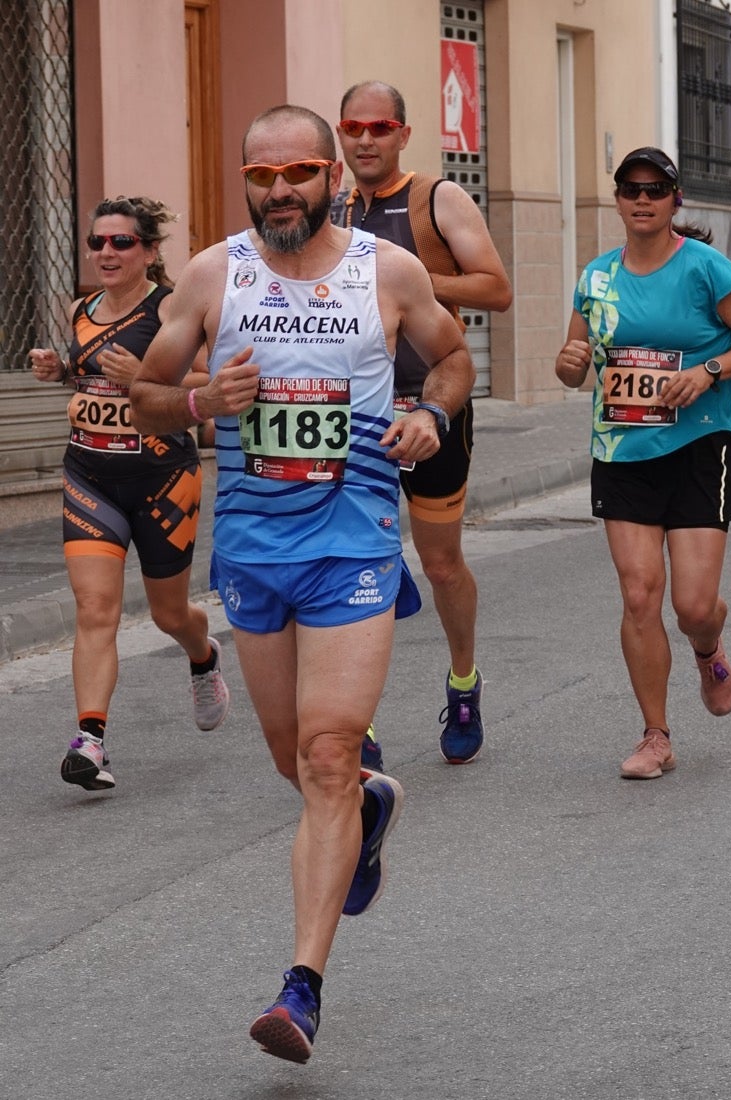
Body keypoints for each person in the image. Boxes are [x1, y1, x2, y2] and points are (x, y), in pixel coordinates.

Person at [129, 105, 475, 1063]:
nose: (280, 191)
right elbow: (147, 396)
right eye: (262, 175)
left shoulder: (388, 271)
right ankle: (368, 807)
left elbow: (451, 360)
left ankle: (302, 987)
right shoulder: (213, 273)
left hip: (353, 543)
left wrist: (430, 420)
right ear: (245, 180)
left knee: (326, 754)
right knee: (296, 765)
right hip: (251, 552)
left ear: (333, 178)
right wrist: (201, 400)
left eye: (299, 173)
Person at [555, 147, 731, 780]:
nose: (643, 199)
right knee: (637, 594)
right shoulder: (597, 276)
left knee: (692, 604)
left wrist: (707, 372)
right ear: (619, 199)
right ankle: (655, 734)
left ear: (675, 198)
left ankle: (707, 647)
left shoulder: (704, 267)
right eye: (631, 189)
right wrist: (569, 366)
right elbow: (574, 358)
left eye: (656, 189)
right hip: (621, 450)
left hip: (701, 447)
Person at [331, 80, 512, 767]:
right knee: (354, 566)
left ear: (404, 134)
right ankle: (358, 717)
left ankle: (463, 680)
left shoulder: (437, 199)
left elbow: (495, 288)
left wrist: (408, 283)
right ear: (341, 137)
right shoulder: (330, 206)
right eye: (353, 128)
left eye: (379, 127)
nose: (366, 140)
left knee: (438, 564)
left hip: (432, 401)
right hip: (351, 413)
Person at [28, 195, 229, 792]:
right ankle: (90, 739)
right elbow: (87, 368)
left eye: (121, 243)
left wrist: (138, 379)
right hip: (90, 475)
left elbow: (212, 381)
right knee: (96, 611)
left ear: (148, 250)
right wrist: (58, 369)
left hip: (163, 476)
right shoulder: (81, 309)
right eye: (98, 243)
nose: (107, 253)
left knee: (169, 614)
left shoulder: (171, 308)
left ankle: (203, 654)